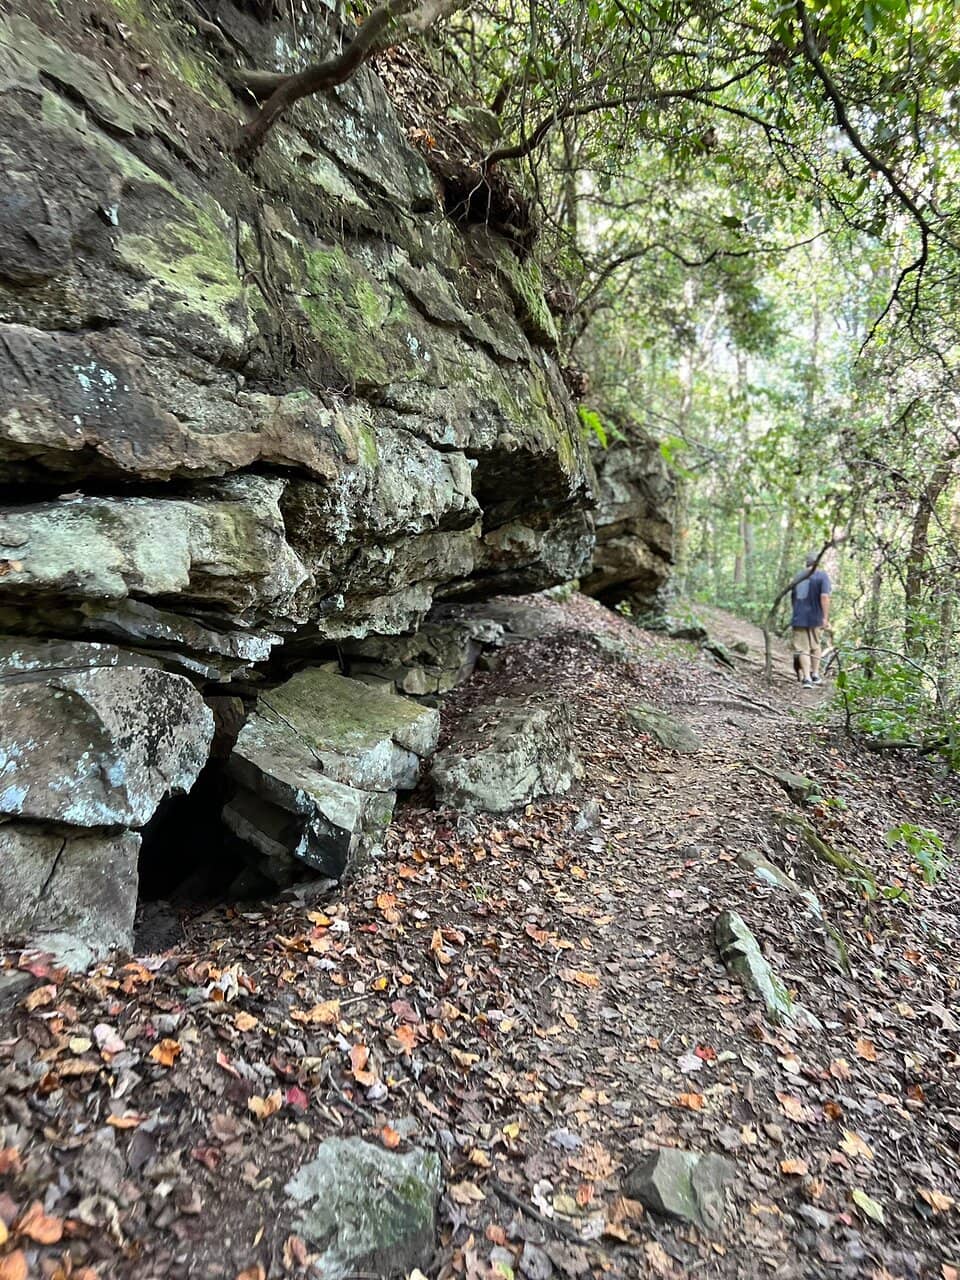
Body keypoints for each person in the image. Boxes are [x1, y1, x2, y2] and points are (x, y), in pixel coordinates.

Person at [790, 553, 831, 689]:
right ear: (817, 563)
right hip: (816, 617)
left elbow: (793, 597)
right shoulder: (822, 576)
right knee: (816, 646)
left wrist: (796, 612)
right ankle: (815, 674)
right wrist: (825, 617)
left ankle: (807, 678)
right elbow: (824, 597)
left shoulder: (798, 576)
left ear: (806, 563)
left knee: (803, 649)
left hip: (799, 617)